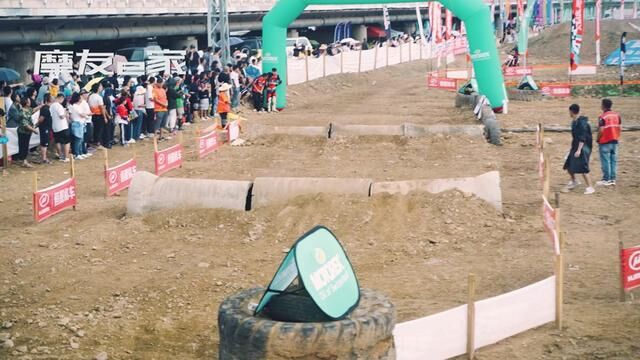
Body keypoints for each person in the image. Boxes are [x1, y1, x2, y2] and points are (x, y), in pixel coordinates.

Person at [563, 104, 595, 194]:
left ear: (571, 111)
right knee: (568, 164)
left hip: (583, 147)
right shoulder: (574, 122)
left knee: (583, 167)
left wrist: (579, 150)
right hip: (575, 146)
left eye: (569, 111)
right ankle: (574, 181)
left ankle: (590, 187)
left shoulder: (582, 123)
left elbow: (582, 137)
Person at [596, 98, 622, 186]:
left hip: (605, 141)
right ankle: (612, 179)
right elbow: (620, 128)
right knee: (613, 160)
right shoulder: (617, 115)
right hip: (615, 141)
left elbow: (601, 130)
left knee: (605, 160)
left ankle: (606, 179)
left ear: (603, 106)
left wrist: (598, 139)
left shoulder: (603, 117)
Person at [16, 98, 40, 168]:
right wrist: (33, 130)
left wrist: (41, 106)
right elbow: (25, 125)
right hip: (23, 132)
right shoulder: (22, 112)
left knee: (25, 146)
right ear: (26, 103)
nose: (30, 102)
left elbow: (33, 110)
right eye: (29, 101)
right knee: (23, 146)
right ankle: (23, 161)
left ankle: (23, 160)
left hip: (27, 132)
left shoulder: (27, 109)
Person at [50, 93, 71, 162]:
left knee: (58, 141)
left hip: (55, 126)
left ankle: (60, 155)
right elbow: (61, 116)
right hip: (62, 126)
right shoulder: (59, 106)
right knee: (66, 142)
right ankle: (66, 157)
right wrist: (66, 112)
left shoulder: (51, 106)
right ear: (61, 98)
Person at [68, 92, 88, 159]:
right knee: (78, 139)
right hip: (77, 123)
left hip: (80, 123)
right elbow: (81, 114)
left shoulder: (77, 106)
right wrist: (86, 115)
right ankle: (77, 154)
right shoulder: (75, 106)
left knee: (80, 139)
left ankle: (80, 152)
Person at [88, 83, 109, 149]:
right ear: (97, 88)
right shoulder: (99, 97)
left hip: (93, 115)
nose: (101, 87)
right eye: (100, 86)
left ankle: (95, 142)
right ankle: (97, 143)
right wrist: (105, 117)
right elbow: (102, 108)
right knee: (99, 130)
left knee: (96, 129)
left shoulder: (90, 96)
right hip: (99, 115)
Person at [37, 94, 53, 164]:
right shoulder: (45, 108)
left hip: (46, 127)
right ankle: (44, 158)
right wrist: (37, 124)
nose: (53, 98)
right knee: (44, 142)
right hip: (44, 127)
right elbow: (41, 118)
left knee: (45, 142)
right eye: (51, 97)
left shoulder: (48, 107)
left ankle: (44, 157)